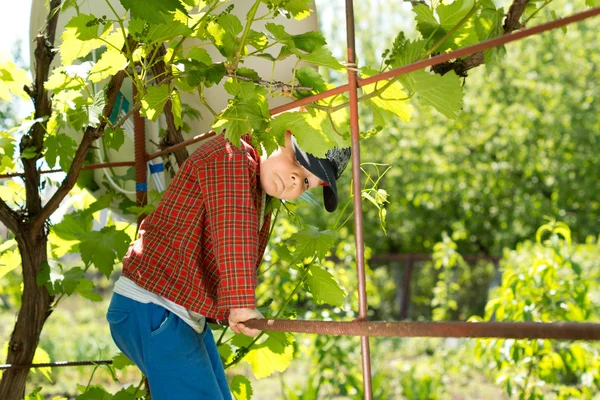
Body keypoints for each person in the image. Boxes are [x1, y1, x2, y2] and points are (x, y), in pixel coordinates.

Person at [106, 130, 351, 399]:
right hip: (153, 306)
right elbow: (233, 231)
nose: (295, 180)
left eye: (306, 182)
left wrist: (230, 311)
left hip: (172, 310)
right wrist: (241, 304)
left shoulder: (255, 190)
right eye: (298, 161)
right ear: (278, 133)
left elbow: (221, 251)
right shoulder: (232, 155)